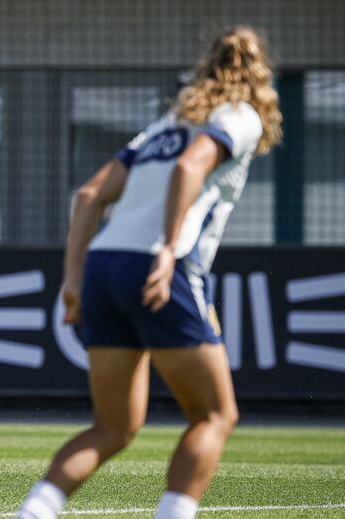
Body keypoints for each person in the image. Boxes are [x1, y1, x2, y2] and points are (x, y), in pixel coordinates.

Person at [17, 26, 282, 519]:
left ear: (207, 66)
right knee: (216, 414)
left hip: (103, 266)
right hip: (162, 265)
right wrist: (166, 250)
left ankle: (32, 512)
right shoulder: (240, 116)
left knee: (113, 426)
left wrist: (73, 281)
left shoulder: (166, 125)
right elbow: (189, 169)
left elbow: (88, 196)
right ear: (261, 73)